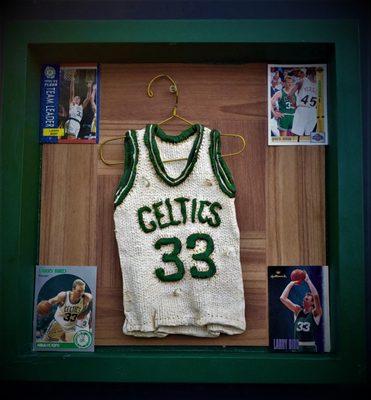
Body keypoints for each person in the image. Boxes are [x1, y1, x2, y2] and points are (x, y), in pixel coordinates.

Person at [280, 271, 322, 352]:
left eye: (306, 299)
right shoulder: (297, 310)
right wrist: (291, 283)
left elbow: (316, 296)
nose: (304, 300)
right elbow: (283, 298)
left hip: (309, 347)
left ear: (312, 303)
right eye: (304, 298)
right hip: (296, 347)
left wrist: (308, 280)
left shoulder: (316, 313)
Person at [289, 67, 318, 138]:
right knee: (308, 136)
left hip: (302, 109)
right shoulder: (318, 84)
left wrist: (294, 105)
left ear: (306, 73)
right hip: (313, 111)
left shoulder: (302, 81)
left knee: (296, 136)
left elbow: (290, 95)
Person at [65, 70, 90, 138]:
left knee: (74, 139)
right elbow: (72, 92)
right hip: (72, 121)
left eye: (79, 98)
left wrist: (89, 87)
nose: (77, 98)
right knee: (70, 137)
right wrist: (72, 78)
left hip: (78, 123)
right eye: (76, 97)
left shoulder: (81, 107)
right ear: (73, 99)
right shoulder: (72, 103)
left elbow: (88, 98)